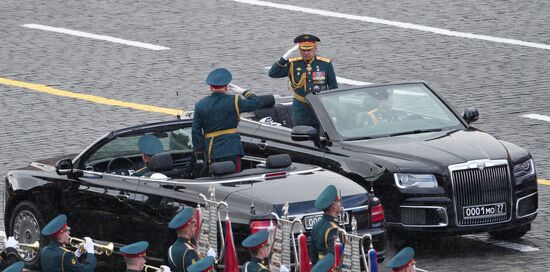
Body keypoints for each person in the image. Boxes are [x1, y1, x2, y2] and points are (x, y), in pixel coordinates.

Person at [192, 68, 263, 172]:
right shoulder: (235, 101)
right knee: (235, 176)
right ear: (226, 87)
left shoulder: (200, 105)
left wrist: (198, 152)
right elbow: (257, 103)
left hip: (212, 150)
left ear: (211, 87)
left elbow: (195, 131)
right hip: (232, 148)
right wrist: (244, 92)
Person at [268, 34, 338, 130]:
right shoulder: (293, 64)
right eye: (303, 50)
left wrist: (333, 108)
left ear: (315, 48)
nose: (306, 53)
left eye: (309, 50)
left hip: (319, 106)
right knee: (300, 132)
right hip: (300, 107)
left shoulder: (325, 64)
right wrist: (284, 57)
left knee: (322, 133)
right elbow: (272, 73)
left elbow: (333, 88)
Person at [168, 207, 216, 272]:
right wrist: (210, 260)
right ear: (187, 230)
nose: (195, 229)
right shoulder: (189, 251)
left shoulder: (171, 248)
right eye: (194, 226)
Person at [309, 185, 344, 266]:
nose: (340, 204)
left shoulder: (316, 226)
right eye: (338, 202)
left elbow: (313, 255)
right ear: (334, 207)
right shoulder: (333, 229)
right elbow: (335, 256)